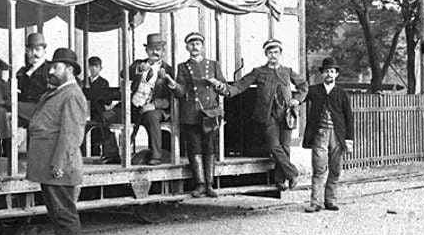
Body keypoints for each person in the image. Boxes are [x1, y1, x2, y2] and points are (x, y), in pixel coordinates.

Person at [26, 48, 88, 235]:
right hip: (49, 164)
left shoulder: (72, 94)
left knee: (65, 214)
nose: (50, 71)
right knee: (56, 213)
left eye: (55, 67)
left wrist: (59, 164)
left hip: (59, 165)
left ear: (69, 69)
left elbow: (71, 134)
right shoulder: (59, 92)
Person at [224, 38, 308, 191]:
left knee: (285, 147)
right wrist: (227, 91)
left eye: (276, 52)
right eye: (270, 52)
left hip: (286, 115)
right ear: (266, 54)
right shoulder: (259, 72)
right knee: (274, 146)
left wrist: (297, 99)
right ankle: (293, 173)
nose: (273, 55)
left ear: (280, 54)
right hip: (268, 116)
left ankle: (280, 180)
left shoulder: (287, 71)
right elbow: (241, 85)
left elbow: (303, 85)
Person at [172, 32, 228, 197]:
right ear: (187, 47)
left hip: (209, 113)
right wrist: (173, 85)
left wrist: (217, 84)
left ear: (202, 47)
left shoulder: (213, 65)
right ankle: (200, 184)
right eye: (191, 44)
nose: (195, 47)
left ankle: (210, 184)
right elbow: (181, 92)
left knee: (209, 147)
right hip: (191, 113)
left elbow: (224, 87)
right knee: (194, 148)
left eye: (197, 44)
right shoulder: (182, 67)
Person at [303, 57, 354, 212]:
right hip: (320, 134)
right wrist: (294, 101)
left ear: (336, 74)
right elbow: (300, 96)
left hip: (338, 136)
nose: (329, 74)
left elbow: (349, 117)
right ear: (322, 74)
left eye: (332, 71)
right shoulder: (314, 90)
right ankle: (315, 203)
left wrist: (349, 139)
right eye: (326, 71)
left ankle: (330, 201)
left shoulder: (342, 93)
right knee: (319, 168)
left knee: (335, 169)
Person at [127, 33, 174, 165]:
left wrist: (154, 105)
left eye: (158, 49)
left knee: (152, 117)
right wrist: (138, 69)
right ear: (146, 50)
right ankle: (111, 154)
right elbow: (124, 74)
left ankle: (156, 156)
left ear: (163, 51)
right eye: (151, 49)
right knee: (106, 116)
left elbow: (170, 97)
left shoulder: (168, 70)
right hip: (134, 106)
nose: (155, 52)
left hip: (155, 108)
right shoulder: (138, 64)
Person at [84, 56, 120, 163]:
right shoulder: (84, 82)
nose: (93, 69)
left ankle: (109, 154)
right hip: (86, 113)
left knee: (101, 129)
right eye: (91, 66)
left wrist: (95, 96)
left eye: (96, 66)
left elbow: (107, 101)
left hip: (98, 113)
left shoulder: (103, 83)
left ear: (100, 68)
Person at [16, 32, 50, 126]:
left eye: (37, 49)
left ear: (44, 51)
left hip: (43, 111)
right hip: (25, 112)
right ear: (26, 52)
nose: (34, 53)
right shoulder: (23, 71)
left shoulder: (50, 69)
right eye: (30, 50)